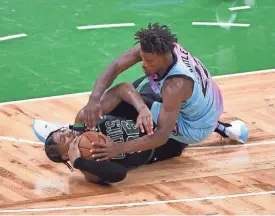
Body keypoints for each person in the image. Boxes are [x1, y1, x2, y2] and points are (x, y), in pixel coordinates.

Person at [82, 23, 249, 161]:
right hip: (208, 102)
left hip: (193, 126)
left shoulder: (175, 85)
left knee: (128, 100)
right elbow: (116, 66)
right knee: (138, 93)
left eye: (149, 61)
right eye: (142, 58)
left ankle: (198, 132)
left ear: (164, 57)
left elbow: (161, 135)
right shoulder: (159, 47)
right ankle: (218, 125)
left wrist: (118, 148)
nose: (143, 64)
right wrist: (94, 98)